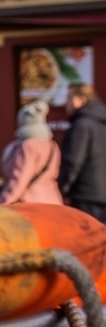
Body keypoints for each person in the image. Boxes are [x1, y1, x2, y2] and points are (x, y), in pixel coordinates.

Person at [0, 100, 62, 205]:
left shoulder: (27, 146)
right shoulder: (53, 145)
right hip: (53, 201)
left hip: (31, 202)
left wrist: (4, 202)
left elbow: (20, 178)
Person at [60, 82, 106, 222]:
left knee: (85, 238)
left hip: (85, 193)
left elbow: (73, 160)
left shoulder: (81, 125)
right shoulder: (101, 122)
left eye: (69, 97)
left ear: (81, 100)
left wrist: (64, 186)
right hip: (101, 193)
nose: (65, 103)